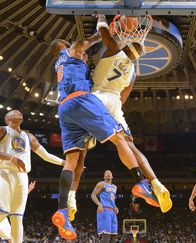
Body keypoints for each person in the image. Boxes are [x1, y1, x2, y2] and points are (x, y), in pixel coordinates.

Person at [49, 16, 158, 240]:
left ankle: (62, 209)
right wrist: (99, 33)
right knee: (119, 138)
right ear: (62, 46)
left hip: (64, 108)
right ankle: (141, 183)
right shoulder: (71, 51)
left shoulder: (59, 65)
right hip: (82, 100)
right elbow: (80, 45)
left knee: (72, 162)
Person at [91, 14, 172, 213]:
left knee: (83, 144)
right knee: (130, 146)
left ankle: (68, 202)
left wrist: (101, 18)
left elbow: (102, 32)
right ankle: (154, 183)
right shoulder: (133, 73)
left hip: (98, 97)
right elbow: (124, 96)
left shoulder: (114, 51)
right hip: (116, 102)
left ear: (126, 47)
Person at [0, 110, 65, 243]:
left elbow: (45, 155)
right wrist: (11, 158)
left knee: (17, 217)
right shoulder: (1, 130)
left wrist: (64, 163)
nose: (18, 111)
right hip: (3, 172)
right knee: (0, 214)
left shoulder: (28, 136)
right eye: (14, 112)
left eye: (20, 112)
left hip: (22, 176)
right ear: (7, 118)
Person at [91, 170, 119, 243]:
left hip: (112, 211)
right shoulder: (101, 184)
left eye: (110, 173)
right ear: (104, 176)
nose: (108, 174)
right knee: (106, 234)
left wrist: (115, 206)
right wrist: (99, 204)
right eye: (106, 173)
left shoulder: (114, 187)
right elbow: (93, 195)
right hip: (105, 210)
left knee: (114, 235)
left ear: (112, 176)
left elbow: (111, 198)